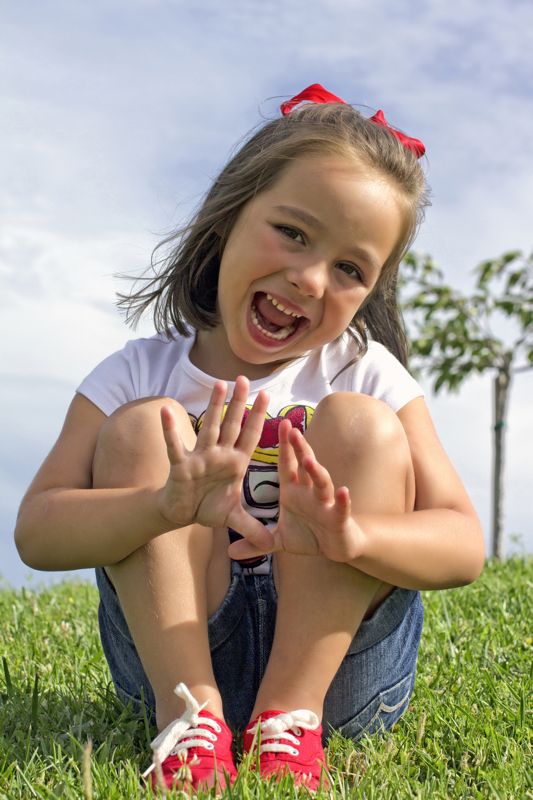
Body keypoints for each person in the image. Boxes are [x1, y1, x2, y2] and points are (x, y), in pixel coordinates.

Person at [15, 84, 485, 793]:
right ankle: (192, 722)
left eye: (350, 269)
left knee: (356, 423)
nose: (307, 277)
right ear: (228, 217)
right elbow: (37, 533)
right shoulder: (136, 373)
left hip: (337, 680)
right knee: (148, 426)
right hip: (175, 656)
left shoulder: (363, 372)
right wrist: (161, 505)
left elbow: (461, 544)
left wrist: (353, 537)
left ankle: (287, 717)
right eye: (292, 233)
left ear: (372, 292)